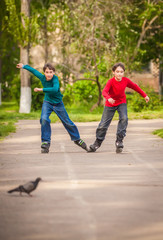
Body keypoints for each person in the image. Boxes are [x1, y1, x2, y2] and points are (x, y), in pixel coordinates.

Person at [16, 63, 88, 153]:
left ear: (54, 72)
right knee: (44, 119)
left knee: (67, 122)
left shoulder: (55, 79)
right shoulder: (42, 78)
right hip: (48, 103)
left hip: (58, 104)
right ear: (44, 73)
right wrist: (24, 66)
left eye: (51, 72)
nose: (49, 74)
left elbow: (54, 89)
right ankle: (45, 142)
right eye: (47, 72)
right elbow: (34, 71)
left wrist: (41, 89)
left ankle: (77, 139)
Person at [89, 62, 150, 153]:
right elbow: (104, 92)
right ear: (113, 72)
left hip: (121, 102)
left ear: (123, 73)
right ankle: (97, 143)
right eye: (117, 71)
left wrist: (144, 95)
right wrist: (109, 98)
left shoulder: (125, 80)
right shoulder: (110, 81)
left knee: (124, 118)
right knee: (103, 125)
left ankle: (119, 141)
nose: (119, 73)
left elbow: (135, 87)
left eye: (121, 72)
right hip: (110, 104)